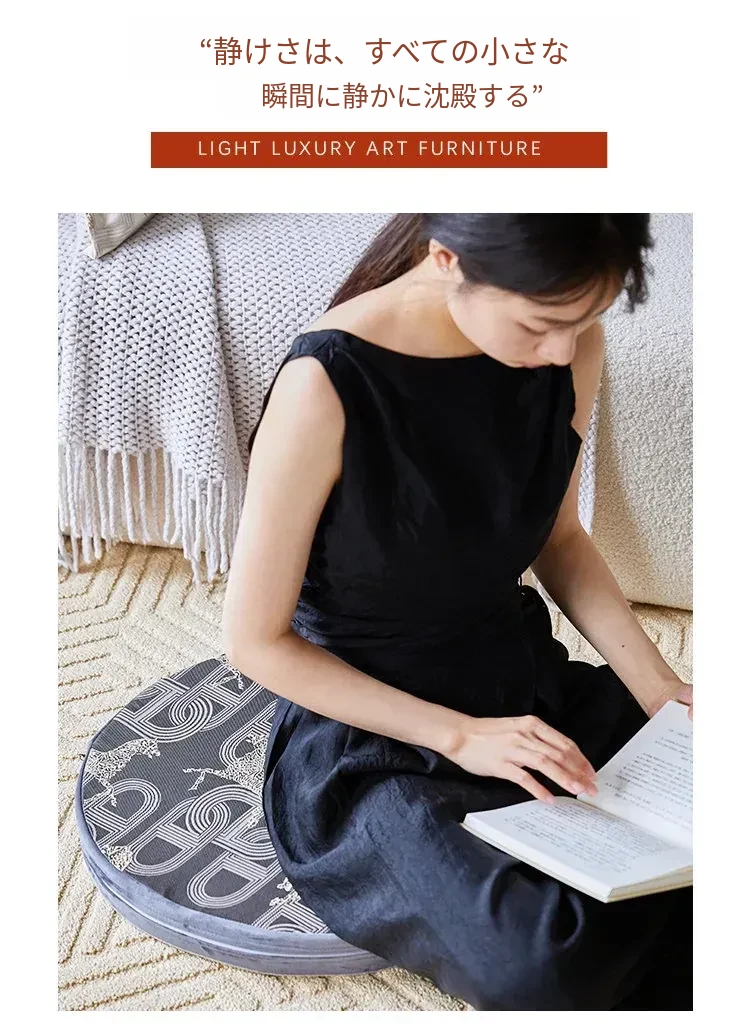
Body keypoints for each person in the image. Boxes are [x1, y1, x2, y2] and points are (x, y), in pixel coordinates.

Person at [222, 214, 693, 1010]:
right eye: (540, 325)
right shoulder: (326, 383)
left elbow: (560, 539)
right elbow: (254, 641)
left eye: (584, 321)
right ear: (447, 259)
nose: (562, 352)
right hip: (374, 739)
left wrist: (659, 690)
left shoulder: (569, 342)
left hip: (522, 685)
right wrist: (461, 735)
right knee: (545, 961)